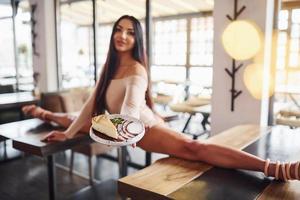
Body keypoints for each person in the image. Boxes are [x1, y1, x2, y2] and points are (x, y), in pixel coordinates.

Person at [23, 15, 299, 182]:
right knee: (73, 120)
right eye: (119, 29)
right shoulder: (108, 67)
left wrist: (127, 132)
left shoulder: (136, 69)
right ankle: (42, 113)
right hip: (118, 125)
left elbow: (131, 104)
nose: (122, 35)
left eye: (130, 32)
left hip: (143, 127)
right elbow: (88, 104)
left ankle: (275, 168)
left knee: (195, 148)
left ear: (137, 39)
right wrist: (68, 133)